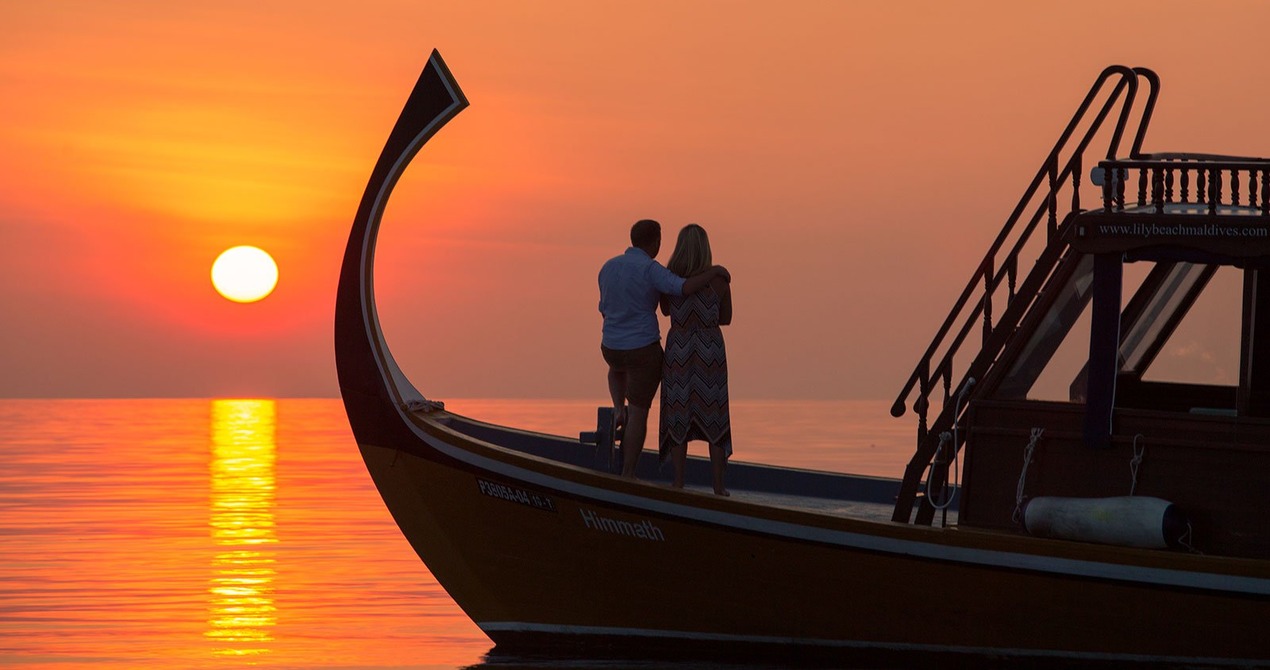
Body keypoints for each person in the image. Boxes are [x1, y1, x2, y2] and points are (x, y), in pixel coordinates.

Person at [598, 219, 729, 479]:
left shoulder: (608, 267)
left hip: (611, 346)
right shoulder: (651, 269)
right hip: (643, 349)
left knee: (616, 368)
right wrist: (714, 271)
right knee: (639, 411)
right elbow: (683, 288)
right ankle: (627, 474)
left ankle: (617, 407)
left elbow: (605, 307)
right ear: (655, 242)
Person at [658, 224, 732, 496]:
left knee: (678, 413)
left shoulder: (670, 280)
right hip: (710, 349)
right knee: (715, 416)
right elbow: (726, 318)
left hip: (679, 347)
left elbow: (666, 311)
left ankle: (678, 482)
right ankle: (719, 487)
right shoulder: (720, 281)